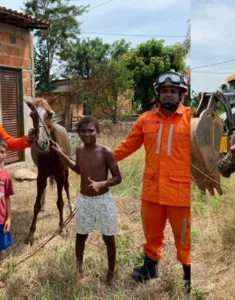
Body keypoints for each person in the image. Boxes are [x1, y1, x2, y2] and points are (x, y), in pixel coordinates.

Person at [113, 69, 191, 296]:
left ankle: (188, 277)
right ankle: (150, 269)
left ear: (181, 95)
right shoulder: (145, 119)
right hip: (152, 191)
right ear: (158, 93)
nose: (168, 95)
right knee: (152, 234)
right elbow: (128, 145)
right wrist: (103, 159)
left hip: (180, 193)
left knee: (184, 237)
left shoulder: (191, 118)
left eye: (173, 91)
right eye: (164, 91)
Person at [52, 116, 122, 285]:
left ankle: (110, 273)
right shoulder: (79, 150)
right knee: (81, 235)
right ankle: (79, 268)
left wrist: (102, 183)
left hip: (103, 200)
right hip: (85, 200)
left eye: (91, 130)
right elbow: (77, 169)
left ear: (98, 132)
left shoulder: (105, 152)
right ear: (78, 133)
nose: (87, 134)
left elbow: (118, 177)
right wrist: (61, 154)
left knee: (108, 238)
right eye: (83, 131)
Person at [0, 140, 14, 289]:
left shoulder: (5, 175)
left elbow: (7, 197)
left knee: (1, 250)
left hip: (1, 220)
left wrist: (9, 217)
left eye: (2, 152)